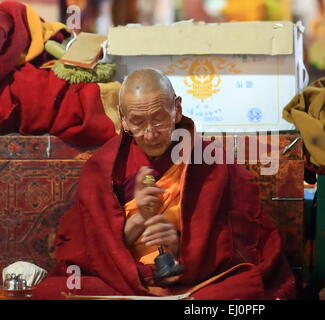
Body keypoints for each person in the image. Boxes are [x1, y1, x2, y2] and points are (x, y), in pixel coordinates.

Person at [32, 68, 296, 300]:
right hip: (121, 278)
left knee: (244, 288)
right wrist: (133, 226)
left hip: (194, 278)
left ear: (177, 108)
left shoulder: (211, 162)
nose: (150, 133)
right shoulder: (103, 167)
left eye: (159, 118)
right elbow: (85, 248)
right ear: (122, 119)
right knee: (55, 291)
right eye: (137, 121)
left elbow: (240, 243)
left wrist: (183, 246)